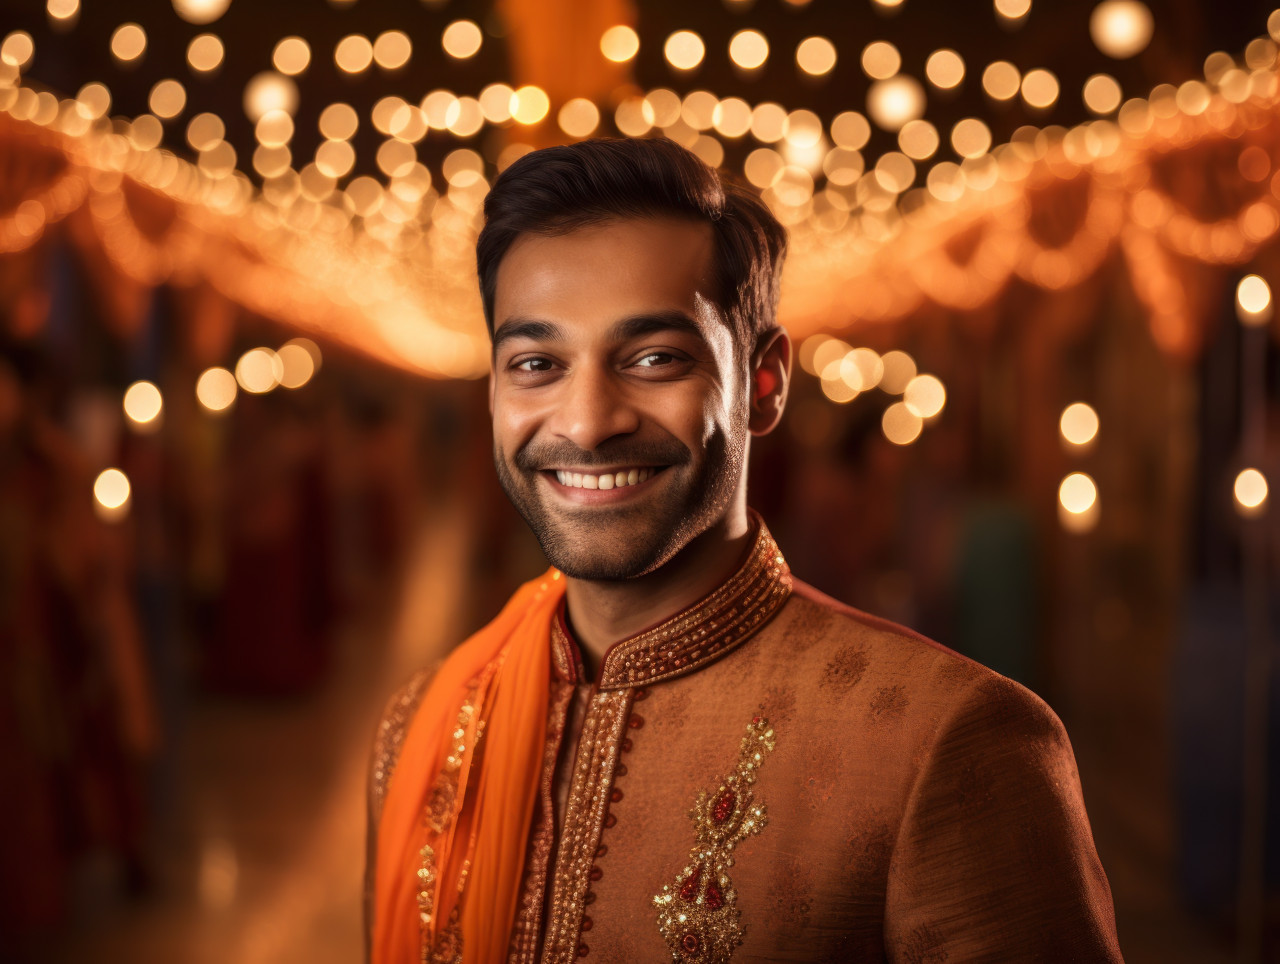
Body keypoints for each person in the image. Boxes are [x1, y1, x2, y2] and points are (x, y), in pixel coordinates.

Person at [366, 137, 1123, 964]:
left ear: (763, 384)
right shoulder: (426, 729)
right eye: (537, 363)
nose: (586, 422)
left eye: (654, 358)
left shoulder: (944, 744)